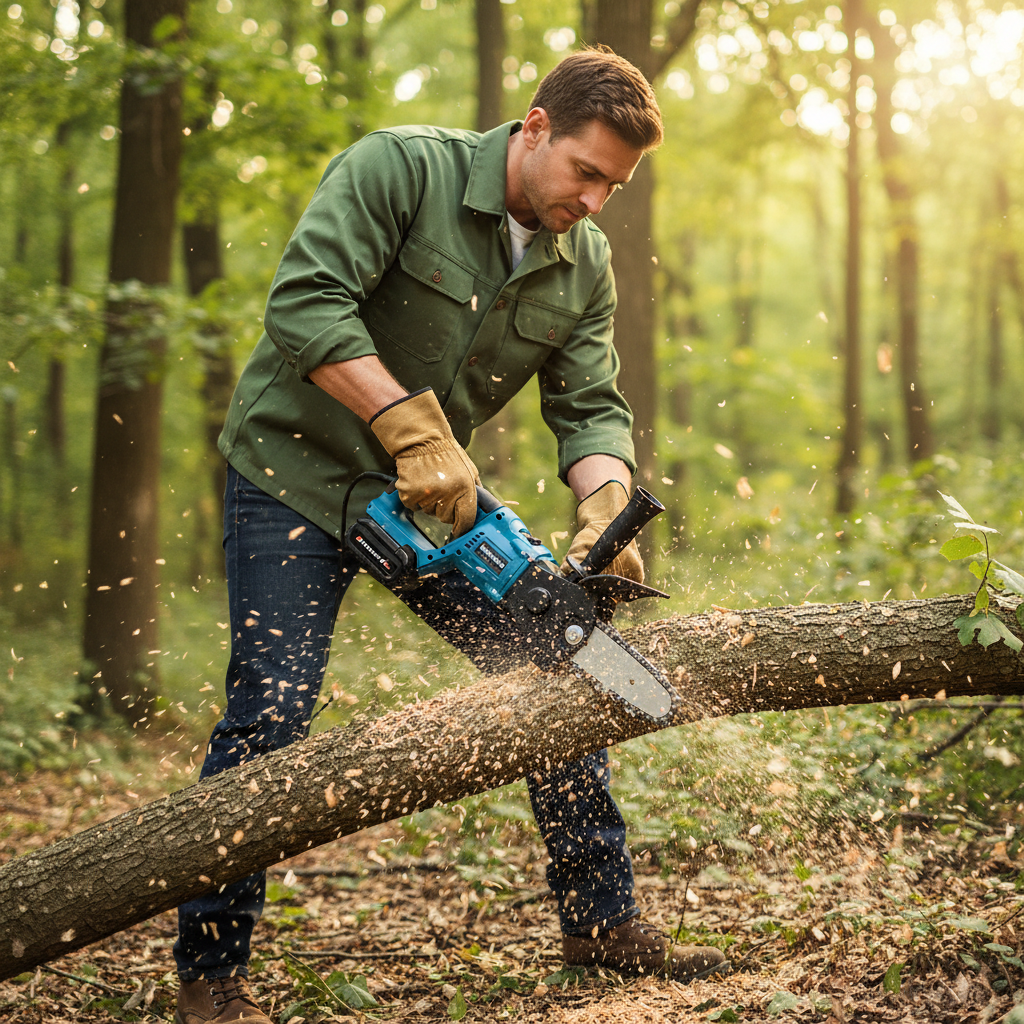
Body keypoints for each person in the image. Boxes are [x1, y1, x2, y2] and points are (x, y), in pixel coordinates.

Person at [172, 46, 728, 1024]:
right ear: (535, 128)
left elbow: (591, 408)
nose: (596, 200)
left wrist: (606, 501)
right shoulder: (401, 169)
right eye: (585, 173)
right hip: (291, 474)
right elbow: (305, 306)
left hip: (428, 503)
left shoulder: (580, 261)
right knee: (271, 710)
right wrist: (410, 426)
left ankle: (599, 921)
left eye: (616, 186)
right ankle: (212, 971)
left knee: (563, 657)